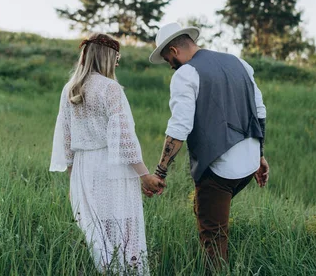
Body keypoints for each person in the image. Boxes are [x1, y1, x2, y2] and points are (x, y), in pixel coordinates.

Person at [147, 22, 269, 271]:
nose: (171, 66)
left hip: (220, 170)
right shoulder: (239, 63)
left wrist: (159, 172)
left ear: (175, 49)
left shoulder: (186, 74)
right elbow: (260, 111)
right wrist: (260, 155)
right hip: (248, 165)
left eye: (169, 59)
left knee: (213, 237)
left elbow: (179, 127)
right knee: (209, 214)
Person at [50, 33, 164, 274]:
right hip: (112, 166)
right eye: (117, 57)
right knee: (124, 228)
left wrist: (73, 181)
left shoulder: (70, 89)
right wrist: (145, 176)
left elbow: (67, 140)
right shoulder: (110, 88)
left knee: (96, 233)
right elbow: (124, 138)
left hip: (83, 168)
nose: (118, 63)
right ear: (107, 57)